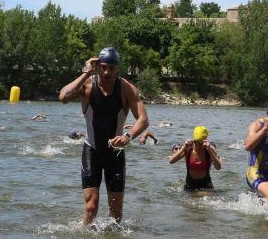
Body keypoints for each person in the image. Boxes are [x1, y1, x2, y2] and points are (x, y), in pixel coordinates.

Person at [59, 47, 149, 225]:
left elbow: (143, 120)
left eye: (112, 68)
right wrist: (86, 72)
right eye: (104, 67)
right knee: (91, 207)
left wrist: (127, 137)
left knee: (116, 212)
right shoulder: (87, 84)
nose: (107, 72)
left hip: (115, 155)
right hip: (91, 152)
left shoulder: (126, 88)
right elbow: (64, 97)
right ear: (98, 66)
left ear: (117, 68)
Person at [168, 126, 222, 191]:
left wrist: (210, 151)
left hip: (206, 184)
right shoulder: (188, 149)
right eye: (196, 142)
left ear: (206, 141)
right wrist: (183, 148)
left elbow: (218, 167)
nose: (199, 146)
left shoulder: (210, 149)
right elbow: (171, 161)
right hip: (190, 184)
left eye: (201, 143)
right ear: (193, 141)